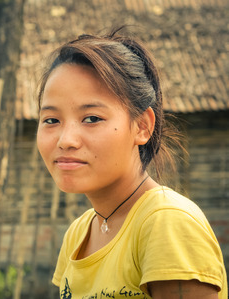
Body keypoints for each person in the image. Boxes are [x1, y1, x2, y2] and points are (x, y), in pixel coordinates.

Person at [36, 27, 227, 299]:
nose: (66, 140)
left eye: (92, 118)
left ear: (142, 126)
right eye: (51, 120)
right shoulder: (79, 233)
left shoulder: (166, 222)